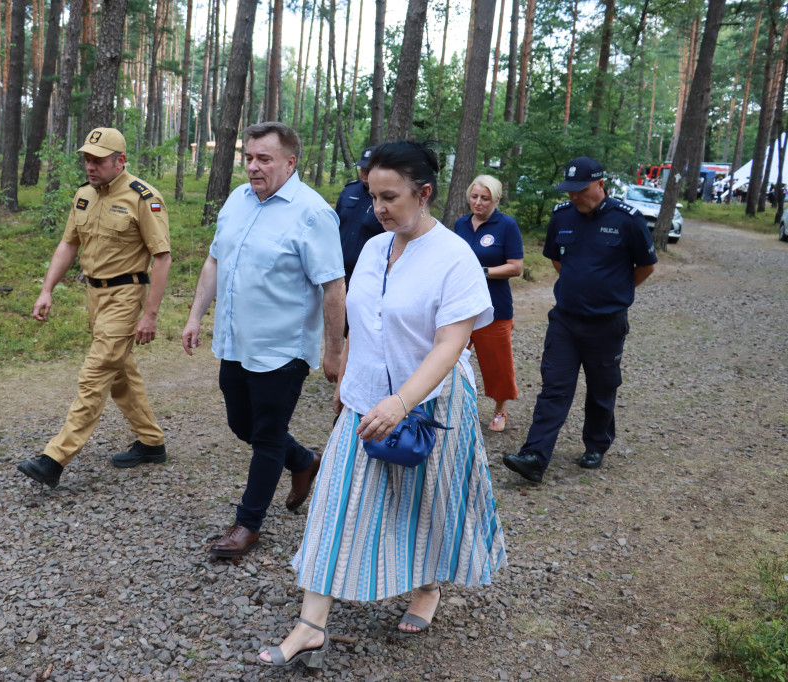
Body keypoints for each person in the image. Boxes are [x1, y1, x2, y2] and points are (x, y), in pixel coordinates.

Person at [257, 141, 507, 669]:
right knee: (334, 506)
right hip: (364, 405)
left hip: (434, 407)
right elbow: (360, 321)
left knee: (430, 501)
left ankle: (427, 588)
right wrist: (346, 377)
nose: (379, 208)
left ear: (425, 193)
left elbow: (450, 344)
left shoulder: (454, 257)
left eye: (390, 197)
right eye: (373, 196)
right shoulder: (374, 247)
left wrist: (401, 401)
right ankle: (311, 625)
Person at [181, 121, 346, 558]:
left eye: (264, 159)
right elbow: (215, 260)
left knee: (268, 435)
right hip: (235, 342)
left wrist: (334, 352)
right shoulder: (237, 200)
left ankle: (247, 524)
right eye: (249, 157)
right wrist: (196, 316)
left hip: (283, 348)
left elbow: (333, 287)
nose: (253, 167)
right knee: (242, 425)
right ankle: (304, 461)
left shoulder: (313, 214)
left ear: (290, 163)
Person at [16, 127, 172, 489]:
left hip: (126, 295)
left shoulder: (142, 198)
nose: (90, 166)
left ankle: (54, 458)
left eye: (98, 160)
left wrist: (150, 314)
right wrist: (46, 290)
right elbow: (68, 245)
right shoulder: (83, 195)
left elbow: (161, 257)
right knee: (119, 373)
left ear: (120, 161)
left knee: (96, 372)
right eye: (87, 159)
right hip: (94, 296)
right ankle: (151, 443)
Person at [502, 156, 656, 484]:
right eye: (569, 190)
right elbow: (558, 261)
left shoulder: (628, 220)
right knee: (554, 388)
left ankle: (596, 444)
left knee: (602, 388)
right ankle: (534, 456)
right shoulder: (562, 217)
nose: (574, 196)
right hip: (565, 321)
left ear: (601, 184)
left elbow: (645, 266)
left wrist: (613, 291)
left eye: (581, 190)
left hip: (606, 323)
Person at [453, 174, 524, 432]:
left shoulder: (506, 225)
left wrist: (483, 272)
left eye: (485, 198)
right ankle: (453, 404)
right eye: (474, 197)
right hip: (461, 304)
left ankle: (499, 409)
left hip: (494, 306)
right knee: (449, 356)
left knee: (497, 363)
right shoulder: (460, 224)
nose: (478, 203)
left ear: (495, 200)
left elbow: (516, 267)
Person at [335, 146, 384, 290]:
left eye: (369, 169)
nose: (364, 172)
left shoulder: (387, 197)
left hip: (369, 274)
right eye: (362, 168)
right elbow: (335, 225)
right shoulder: (349, 190)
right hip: (339, 270)